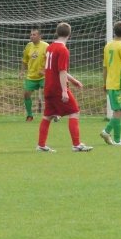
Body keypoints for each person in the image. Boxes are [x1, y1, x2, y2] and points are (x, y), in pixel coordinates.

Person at [36, 22, 93, 152]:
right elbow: (61, 71)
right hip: (57, 87)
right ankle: (77, 144)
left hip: (48, 87)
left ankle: (41, 145)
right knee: (74, 112)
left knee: (48, 116)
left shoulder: (50, 47)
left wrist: (73, 80)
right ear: (69, 34)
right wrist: (64, 91)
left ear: (57, 32)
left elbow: (57, 69)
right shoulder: (63, 50)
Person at [20, 28, 48, 122]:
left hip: (43, 76)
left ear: (40, 36)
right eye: (31, 34)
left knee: (48, 94)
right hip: (31, 76)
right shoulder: (28, 46)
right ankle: (29, 115)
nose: (32, 36)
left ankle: (52, 113)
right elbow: (24, 60)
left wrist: (45, 70)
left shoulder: (46, 46)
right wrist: (22, 71)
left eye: (34, 34)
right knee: (26, 94)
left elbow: (51, 60)